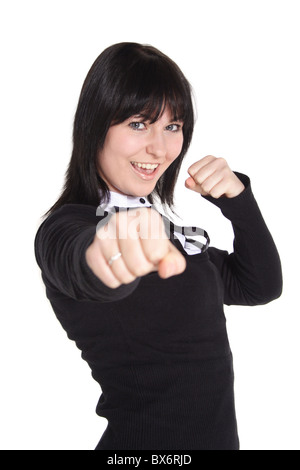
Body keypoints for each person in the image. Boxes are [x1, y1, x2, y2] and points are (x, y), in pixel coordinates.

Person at [34, 42, 282, 450]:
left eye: (172, 126)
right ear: (96, 126)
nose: (161, 148)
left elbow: (260, 286)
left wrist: (239, 202)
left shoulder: (166, 234)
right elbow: (84, 265)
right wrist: (109, 254)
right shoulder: (68, 227)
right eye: (138, 124)